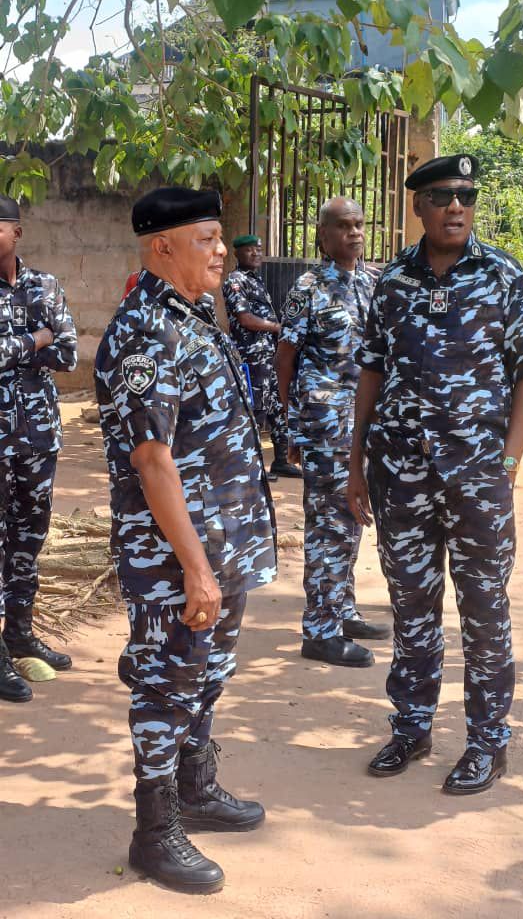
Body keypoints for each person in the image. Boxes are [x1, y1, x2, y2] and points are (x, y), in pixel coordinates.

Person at [347, 154, 523, 794]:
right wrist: (357, 463)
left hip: (477, 478)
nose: (456, 206)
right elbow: (372, 372)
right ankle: (411, 727)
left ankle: (488, 741)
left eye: (465, 194)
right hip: (400, 473)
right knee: (411, 605)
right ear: (418, 207)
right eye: (441, 195)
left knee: (484, 608)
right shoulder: (391, 284)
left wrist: (510, 462)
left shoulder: (504, 276)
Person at [95, 186, 277, 894]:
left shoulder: (194, 316)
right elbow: (152, 460)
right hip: (173, 557)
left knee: (207, 676)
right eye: (206, 239)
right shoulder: (144, 331)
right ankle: (154, 829)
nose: (221, 251)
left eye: (220, 238)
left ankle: (196, 788)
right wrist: (195, 570)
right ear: (160, 247)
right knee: (164, 687)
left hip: (220, 544)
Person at [276, 196, 390, 669]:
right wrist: (287, 425)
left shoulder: (371, 284)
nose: (354, 233)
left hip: (362, 425)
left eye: (360, 224)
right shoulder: (308, 288)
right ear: (323, 236)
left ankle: (341, 611)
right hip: (325, 427)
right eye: (343, 226)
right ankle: (319, 631)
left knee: (351, 517)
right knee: (329, 525)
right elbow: (285, 358)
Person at [0, 195, 77, 703]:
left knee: (29, 538)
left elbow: (69, 352)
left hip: (38, 437)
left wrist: (20, 345)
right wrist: (36, 340)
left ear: (17, 233)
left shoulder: (44, 285)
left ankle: (20, 632)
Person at [222, 234, 301, 480]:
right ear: (237, 254)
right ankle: (251, 465)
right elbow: (245, 319)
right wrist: (278, 327)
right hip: (250, 357)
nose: (256, 254)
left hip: (268, 356)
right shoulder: (235, 281)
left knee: (278, 407)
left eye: (258, 249)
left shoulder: (255, 280)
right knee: (255, 410)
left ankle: (280, 461)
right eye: (249, 250)